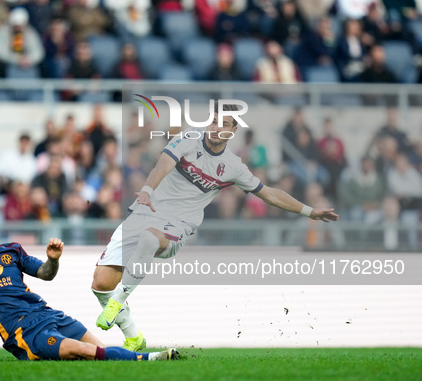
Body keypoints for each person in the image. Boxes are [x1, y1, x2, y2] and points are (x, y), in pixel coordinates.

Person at [91, 105, 339, 351]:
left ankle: (119, 300)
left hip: (178, 223)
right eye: (214, 121)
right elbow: (163, 165)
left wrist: (309, 211)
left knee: (149, 239)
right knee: (100, 284)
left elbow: (270, 194)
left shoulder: (233, 167)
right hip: (146, 208)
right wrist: (146, 191)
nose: (216, 127)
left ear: (233, 131)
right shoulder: (189, 138)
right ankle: (134, 337)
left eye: (224, 124)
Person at [0, 207, 179, 362]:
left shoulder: (12, 251)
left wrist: (53, 259)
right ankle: (152, 358)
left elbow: (45, 274)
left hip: (47, 314)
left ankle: (137, 359)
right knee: (82, 352)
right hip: (21, 330)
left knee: (98, 352)